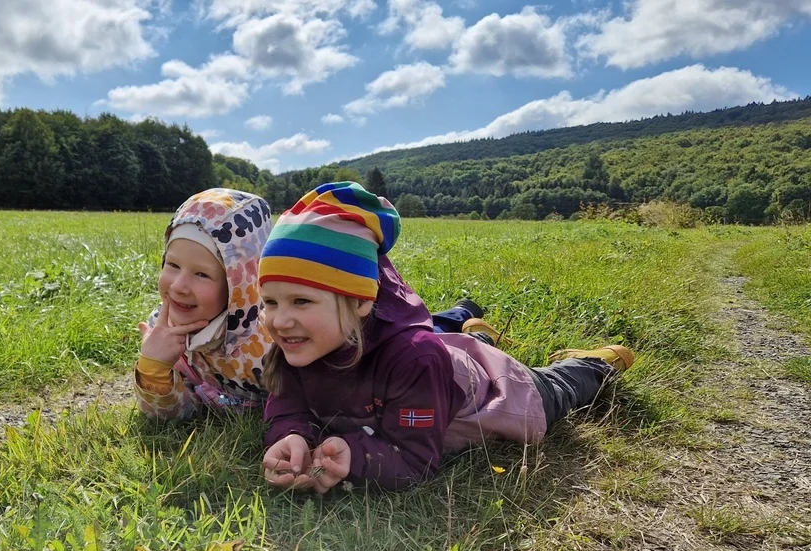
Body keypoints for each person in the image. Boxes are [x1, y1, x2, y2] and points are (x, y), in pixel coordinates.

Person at [257, 182, 634, 493]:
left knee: (553, 392)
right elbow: (288, 404)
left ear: (361, 302)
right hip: (448, 367)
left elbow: (414, 460)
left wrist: (356, 457)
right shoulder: (298, 344)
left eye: (301, 300)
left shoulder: (413, 359)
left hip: (492, 395)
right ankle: (472, 330)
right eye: (269, 302)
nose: (279, 319)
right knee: (456, 351)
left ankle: (596, 363)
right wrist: (288, 435)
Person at [134, 188, 492, 421]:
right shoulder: (164, 332)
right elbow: (177, 415)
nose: (178, 286)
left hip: (374, 332)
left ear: (239, 281)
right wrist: (154, 367)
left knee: (430, 338)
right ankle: (459, 315)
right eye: (171, 265)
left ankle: (466, 323)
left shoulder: (276, 335)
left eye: (202, 275)